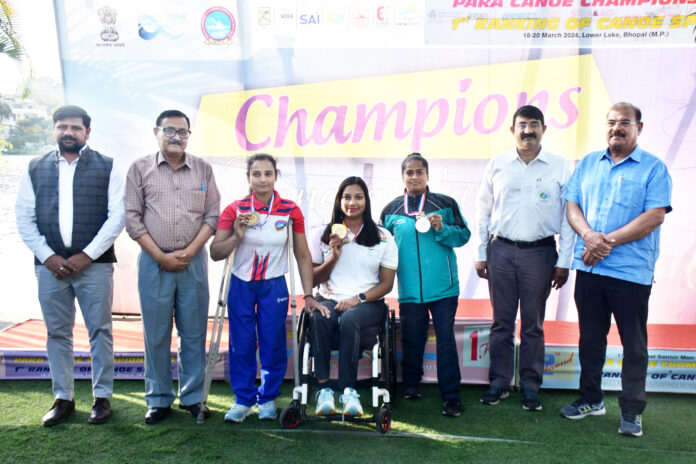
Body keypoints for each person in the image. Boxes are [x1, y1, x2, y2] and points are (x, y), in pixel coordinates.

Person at [560, 102, 672, 437]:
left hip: (630, 273)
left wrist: (605, 241)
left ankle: (632, 410)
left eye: (625, 122)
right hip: (590, 269)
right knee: (590, 339)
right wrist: (588, 235)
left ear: (640, 127)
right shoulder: (589, 164)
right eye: (611, 122)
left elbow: (654, 216)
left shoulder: (654, 168)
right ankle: (591, 399)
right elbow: (572, 204)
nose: (616, 128)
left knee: (634, 345)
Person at [15, 105, 124, 426]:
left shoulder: (108, 166)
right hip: (49, 267)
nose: (68, 132)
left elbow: (116, 217)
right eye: (62, 127)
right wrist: (48, 256)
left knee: (100, 330)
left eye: (76, 128)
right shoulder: (35, 167)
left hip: (95, 265)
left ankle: (102, 398)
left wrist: (86, 255)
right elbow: (24, 217)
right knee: (57, 333)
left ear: (87, 132)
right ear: (54, 130)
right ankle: (63, 398)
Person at [209, 153, 325, 423]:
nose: (262, 179)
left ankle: (268, 398)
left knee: (273, 342)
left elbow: (303, 254)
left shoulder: (290, 210)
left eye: (268, 173)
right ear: (248, 177)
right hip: (241, 283)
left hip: (274, 284)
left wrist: (308, 294)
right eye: (256, 174)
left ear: (276, 176)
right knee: (242, 342)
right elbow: (216, 252)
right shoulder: (234, 209)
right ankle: (243, 400)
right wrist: (237, 236)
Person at [474, 105, 574, 411]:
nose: (528, 130)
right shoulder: (498, 164)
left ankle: (531, 386)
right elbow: (483, 210)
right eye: (522, 124)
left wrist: (564, 261)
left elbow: (569, 217)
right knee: (501, 323)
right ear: (512, 129)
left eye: (534, 124)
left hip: (541, 254)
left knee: (534, 325)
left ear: (544, 129)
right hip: (501, 251)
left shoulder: (559, 166)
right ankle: (499, 382)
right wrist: (481, 253)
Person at [125, 110, 221, 424]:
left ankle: (192, 398)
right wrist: (161, 256)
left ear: (189, 135)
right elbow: (132, 218)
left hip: (193, 264)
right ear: (157, 132)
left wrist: (191, 251)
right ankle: (158, 399)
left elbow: (212, 217)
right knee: (156, 335)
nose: (176, 137)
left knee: (193, 333)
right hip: (155, 263)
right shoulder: (140, 169)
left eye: (183, 131)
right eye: (170, 130)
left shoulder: (203, 170)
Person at [381, 153, 471, 417]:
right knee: (411, 338)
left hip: (443, 289)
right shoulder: (391, 210)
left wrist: (443, 228)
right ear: (403, 177)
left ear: (428, 175)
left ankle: (451, 395)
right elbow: (382, 247)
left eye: (420, 172)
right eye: (410, 172)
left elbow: (463, 235)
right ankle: (410, 384)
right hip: (409, 289)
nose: (415, 176)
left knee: (445, 341)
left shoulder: (445, 204)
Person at [309, 177, 398, 417]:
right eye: (347, 197)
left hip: (367, 301)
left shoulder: (383, 236)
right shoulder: (322, 234)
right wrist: (333, 257)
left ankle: (349, 391)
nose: (352, 202)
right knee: (319, 317)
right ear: (339, 201)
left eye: (358, 197)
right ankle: (324, 389)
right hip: (329, 298)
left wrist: (357, 299)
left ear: (366, 201)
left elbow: (387, 284)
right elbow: (314, 279)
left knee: (349, 319)